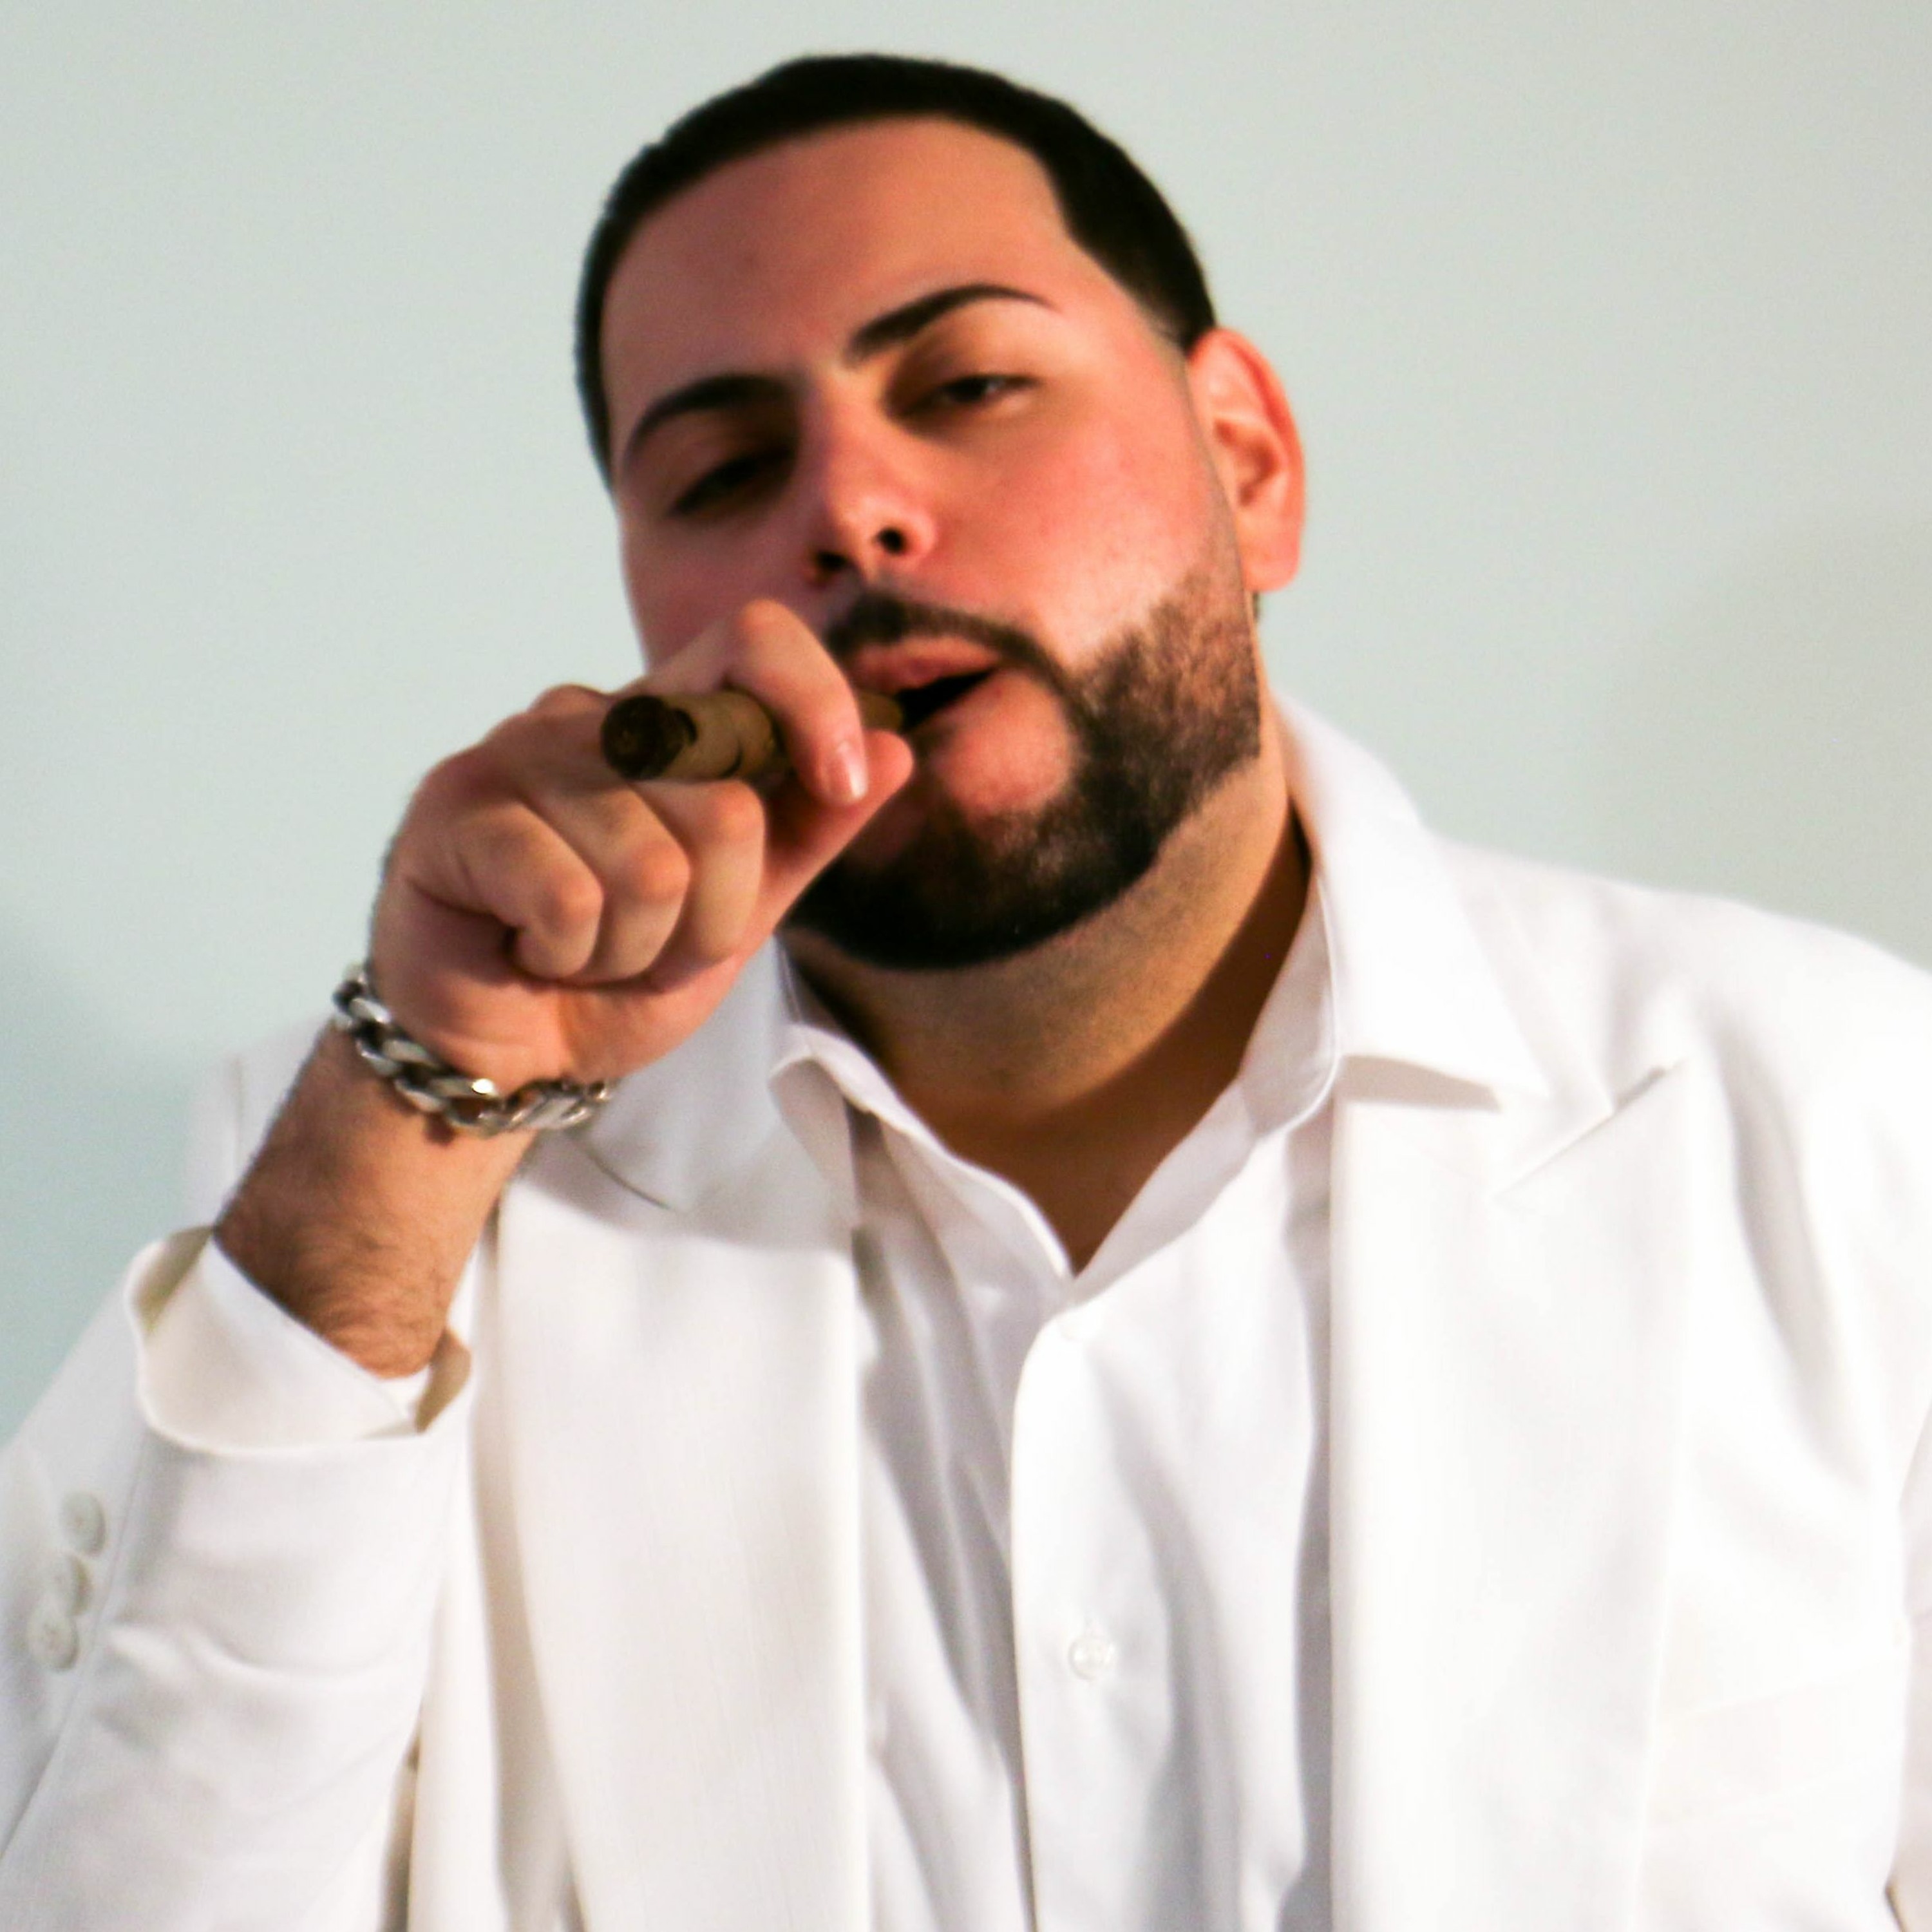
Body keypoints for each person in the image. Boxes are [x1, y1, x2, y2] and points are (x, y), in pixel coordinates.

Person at [4, 51, 1931, 1932]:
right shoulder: (387, 1179)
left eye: (972, 385)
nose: (851, 512)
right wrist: (424, 1111)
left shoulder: (1833, 1113)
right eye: (725, 469)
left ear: (1248, 464)